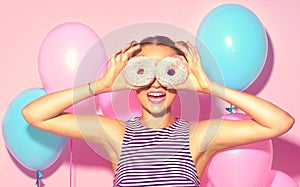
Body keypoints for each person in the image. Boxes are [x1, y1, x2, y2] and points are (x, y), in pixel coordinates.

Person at [22, 36, 294, 187]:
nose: (155, 82)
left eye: (167, 70)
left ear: (180, 77)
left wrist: (211, 87)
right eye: (143, 71)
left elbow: (279, 123)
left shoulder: (196, 137)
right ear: (131, 79)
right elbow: (34, 114)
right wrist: (101, 85)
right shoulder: (116, 134)